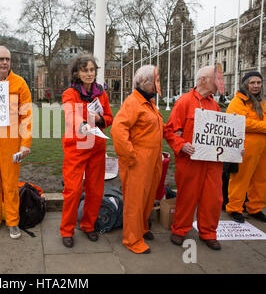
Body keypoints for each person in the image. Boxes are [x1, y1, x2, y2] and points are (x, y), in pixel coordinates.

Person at [164, 65, 226, 250]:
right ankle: (180, 229)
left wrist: (233, 147)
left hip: (213, 162)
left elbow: (221, 134)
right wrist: (181, 145)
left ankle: (208, 232)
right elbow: (170, 131)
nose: (219, 83)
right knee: (187, 197)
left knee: (213, 199)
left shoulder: (215, 105)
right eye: (216, 79)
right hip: (189, 161)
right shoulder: (184, 102)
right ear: (204, 80)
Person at [59, 54, 113, 248]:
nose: (89, 73)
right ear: (77, 73)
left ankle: (88, 225)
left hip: (97, 148)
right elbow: (70, 115)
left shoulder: (101, 93)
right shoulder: (70, 93)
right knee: (72, 191)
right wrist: (82, 124)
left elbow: (109, 117)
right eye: (85, 70)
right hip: (76, 148)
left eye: (92, 70)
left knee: (95, 191)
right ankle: (67, 230)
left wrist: (99, 120)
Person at [0, 45, 32, 239]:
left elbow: (26, 116)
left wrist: (25, 143)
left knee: (10, 184)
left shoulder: (19, 83)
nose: (4, 62)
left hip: (10, 142)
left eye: (7, 59)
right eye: (0, 59)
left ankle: (12, 221)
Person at [111, 65, 163, 254]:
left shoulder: (148, 102)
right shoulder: (134, 102)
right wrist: (130, 156)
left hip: (151, 160)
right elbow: (118, 130)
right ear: (144, 83)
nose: (158, 85)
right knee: (135, 200)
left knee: (147, 197)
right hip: (138, 161)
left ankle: (141, 228)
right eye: (155, 81)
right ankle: (132, 240)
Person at [225, 71, 266, 223]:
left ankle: (255, 207)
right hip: (244, 148)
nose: (256, 86)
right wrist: (264, 126)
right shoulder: (238, 101)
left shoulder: (261, 101)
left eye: (259, 83)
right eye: (252, 83)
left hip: (262, 149)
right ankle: (234, 208)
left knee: (261, 180)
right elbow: (241, 122)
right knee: (240, 179)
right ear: (245, 84)